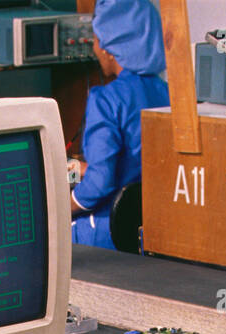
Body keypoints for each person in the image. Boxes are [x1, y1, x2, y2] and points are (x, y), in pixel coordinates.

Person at [69, 0, 169, 250]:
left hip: (108, 231)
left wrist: (62, 207)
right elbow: (134, 164)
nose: (94, 48)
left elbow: (100, 183)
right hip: (152, 228)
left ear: (108, 48)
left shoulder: (106, 100)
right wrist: (80, 168)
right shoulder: (169, 93)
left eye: (95, 39)